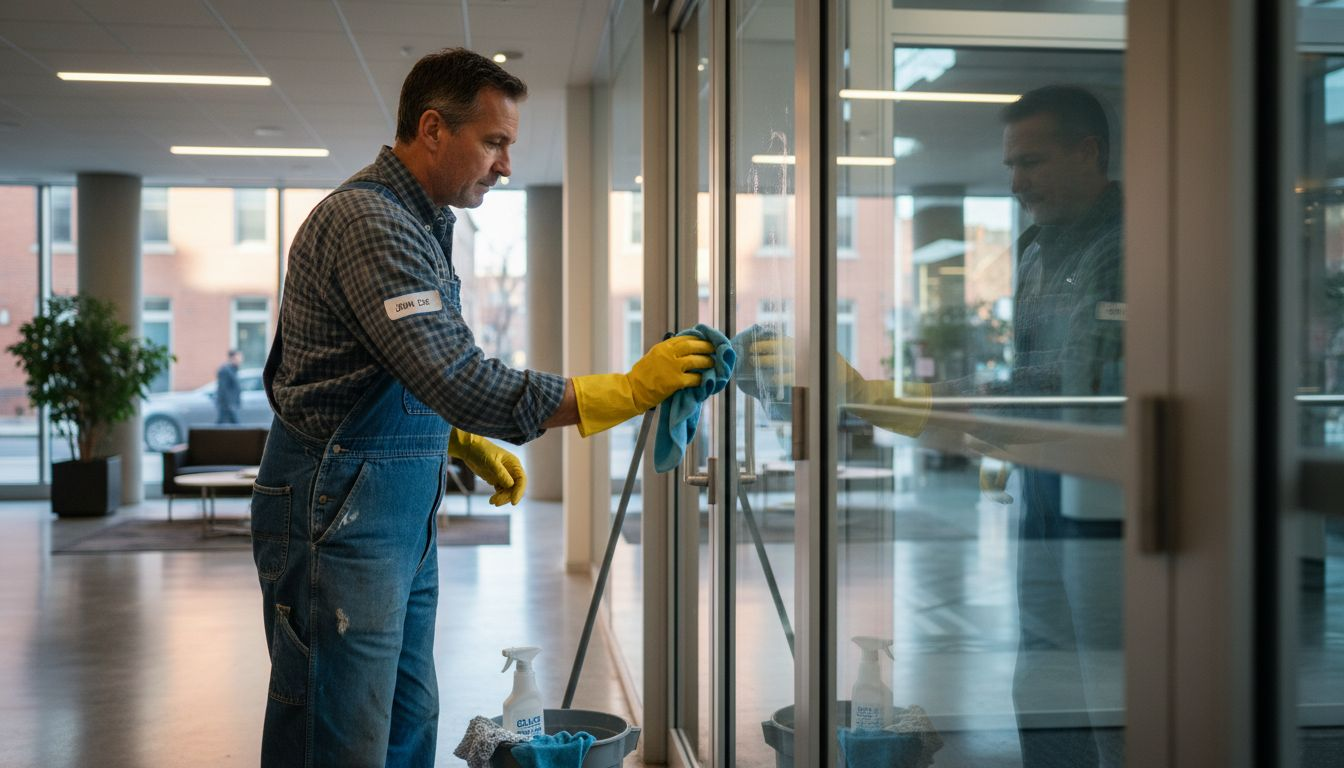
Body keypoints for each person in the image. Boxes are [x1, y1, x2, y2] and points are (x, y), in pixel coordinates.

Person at [250, 48, 717, 767]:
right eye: (494, 142)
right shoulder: (372, 222)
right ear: (433, 129)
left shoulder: (424, 219)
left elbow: (410, 361)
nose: (505, 164)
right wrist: (627, 389)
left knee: (406, 717)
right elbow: (461, 376)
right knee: (338, 728)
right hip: (334, 511)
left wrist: (452, 438)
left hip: (392, 508)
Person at [739, 84, 1123, 767]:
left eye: (1029, 163)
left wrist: (878, 397)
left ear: (1087, 151)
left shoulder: (1130, 250)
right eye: (1009, 166)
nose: (1015, 183)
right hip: (1045, 486)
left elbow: (1074, 393)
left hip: (1111, 499)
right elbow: (1027, 383)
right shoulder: (1036, 253)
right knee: (1043, 665)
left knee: (1113, 676)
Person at [215, 349, 242, 424]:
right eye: (238, 358)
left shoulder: (233, 370)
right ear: (232, 358)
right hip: (228, 405)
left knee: (222, 424)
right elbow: (222, 389)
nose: (240, 360)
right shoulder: (225, 370)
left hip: (232, 404)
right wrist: (229, 405)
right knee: (235, 425)